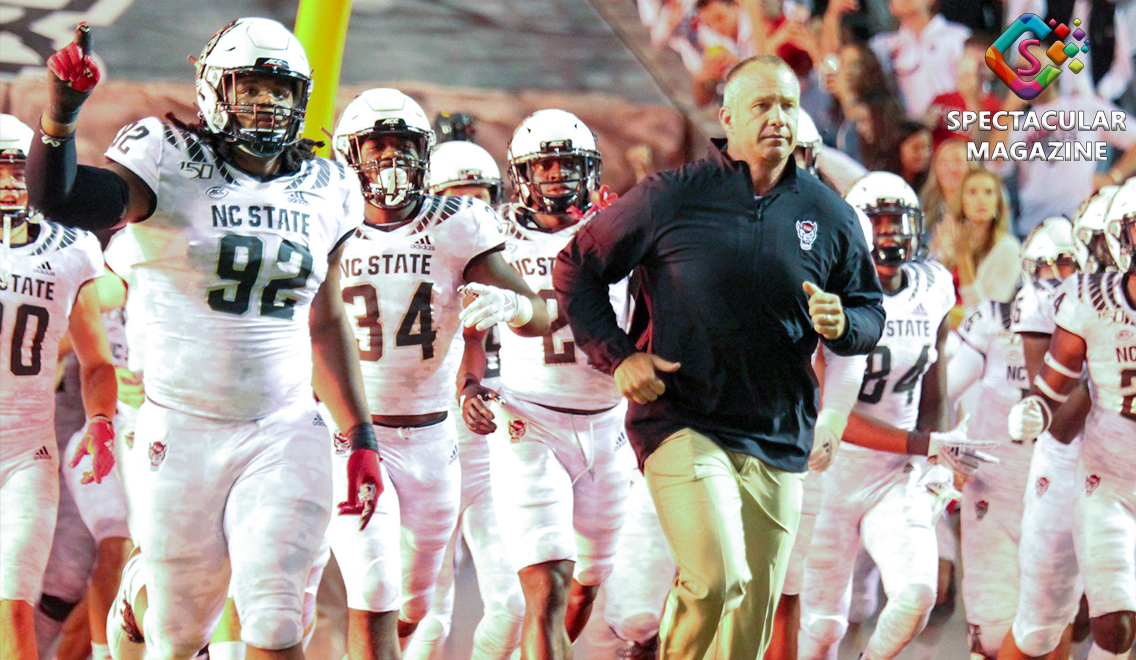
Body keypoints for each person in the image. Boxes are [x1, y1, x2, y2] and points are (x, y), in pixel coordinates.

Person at [27, 19, 380, 659]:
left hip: (284, 426)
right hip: (181, 430)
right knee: (180, 634)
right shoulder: (167, 158)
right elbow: (65, 199)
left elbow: (324, 321)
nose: (268, 103)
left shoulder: (329, 187)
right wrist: (61, 116)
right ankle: (141, 601)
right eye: (252, 86)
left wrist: (360, 433)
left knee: (275, 617)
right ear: (215, 89)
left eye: (281, 89)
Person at [553, 55, 886, 660]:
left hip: (779, 433)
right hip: (684, 419)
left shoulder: (831, 215)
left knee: (750, 622)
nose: (778, 118)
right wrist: (618, 355)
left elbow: (868, 313)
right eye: (762, 105)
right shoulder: (668, 198)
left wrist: (845, 323)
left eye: (788, 104)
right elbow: (578, 265)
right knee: (716, 579)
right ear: (727, 118)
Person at [326, 88, 549, 660]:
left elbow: (541, 313)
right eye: (375, 144)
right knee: (373, 587)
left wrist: (518, 308)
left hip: (432, 438)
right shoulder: (325, 217)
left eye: (401, 144)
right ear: (349, 154)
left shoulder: (458, 222)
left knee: (417, 605)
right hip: (350, 433)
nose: (389, 157)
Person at [459, 108, 631, 660]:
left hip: (608, 425)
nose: (557, 174)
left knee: (585, 585)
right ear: (521, 174)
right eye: (546, 163)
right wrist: (470, 386)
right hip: (529, 419)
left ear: (591, 169)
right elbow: (471, 331)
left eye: (568, 163)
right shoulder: (493, 234)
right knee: (546, 588)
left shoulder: (621, 233)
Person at [797, 172, 988, 660]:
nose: (891, 234)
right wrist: (927, 445)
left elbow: (932, 378)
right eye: (878, 223)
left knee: (918, 595)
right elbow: (830, 411)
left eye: (899, 223)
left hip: (895, 474)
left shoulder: (933, 286)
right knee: (821, 626)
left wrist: (934, 449)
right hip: (830, 471)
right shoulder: (829, 292)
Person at [401, 138, 526, 660]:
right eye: (459, 200)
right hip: (428, 443)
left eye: (481, 198)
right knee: (423, 615)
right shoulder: (406, 257)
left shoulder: (513, 255)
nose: (472, 213)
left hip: (493, 452)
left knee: (512, 606)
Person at [0, 112, 118, 660]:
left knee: (13, 613)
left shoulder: (71, 248)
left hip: (27, 454)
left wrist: (100, 421)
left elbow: (96, 361)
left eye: (18, 168)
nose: (7, 180)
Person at [1008, 176, 1136, 660]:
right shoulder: (1069, 296)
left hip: (1117, 462)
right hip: (1069, 465)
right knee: (1049, 621)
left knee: (1111, 617)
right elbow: (1056, 420)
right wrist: (1108, 375)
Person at [948, 217, 1079, 659]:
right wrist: (946, 444)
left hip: (1059, 490)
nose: (1057, 276)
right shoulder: (991, 320)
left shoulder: (1095, 326)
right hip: (997, 490)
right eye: (1048, 264)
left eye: (1067, 263)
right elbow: (946, 387)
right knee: (993, 637)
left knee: (1055, 625)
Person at [932, 167, 1021, 309]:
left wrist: (963, 259)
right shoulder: (950, 239)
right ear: (962, 201)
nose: (981, 198)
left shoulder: (1009, 248)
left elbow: (984, 315)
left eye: (988, 192)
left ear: (998, 203)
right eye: (972, 192)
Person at [867, 0, 971, 118]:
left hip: (953, 127)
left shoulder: (958, 37)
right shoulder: (882, 46)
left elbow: (978, 92)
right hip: (904, 132)